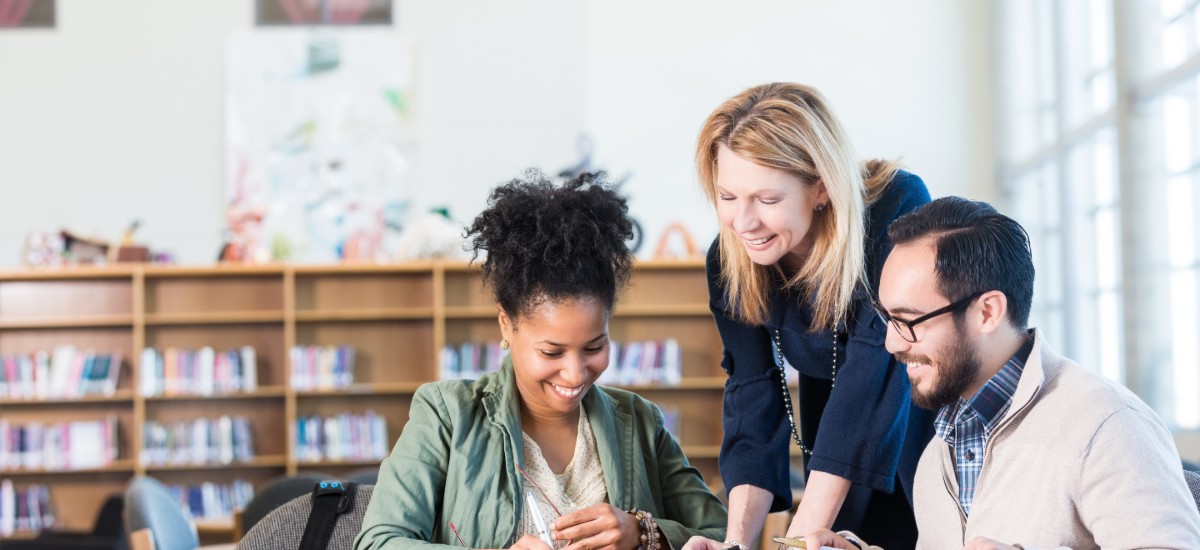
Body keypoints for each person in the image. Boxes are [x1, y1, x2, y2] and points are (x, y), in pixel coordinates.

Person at [355, 170, 728, 550]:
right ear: (506, 325)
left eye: (594, 347)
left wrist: (643, 533)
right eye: (552, 352)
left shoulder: (640, 422)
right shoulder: (447, 416)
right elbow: (378, 542)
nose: (575, 372)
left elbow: (724, 537)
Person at [805, 196, 1200, 549]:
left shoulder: (1106, 425)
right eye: (886, 319)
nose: (892, 343)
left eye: (908, 321)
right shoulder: (936, 455)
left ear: (987, 312)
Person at [684, 82, 935, 550]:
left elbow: (873, 374)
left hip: (923, 418)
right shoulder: (730, 259)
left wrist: (796, 541)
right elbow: (752, 396)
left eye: (767, 199)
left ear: (820, 187)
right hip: (834, 431)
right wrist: (736, 542)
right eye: (728, 196)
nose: (743, 222)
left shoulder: (895, 209)